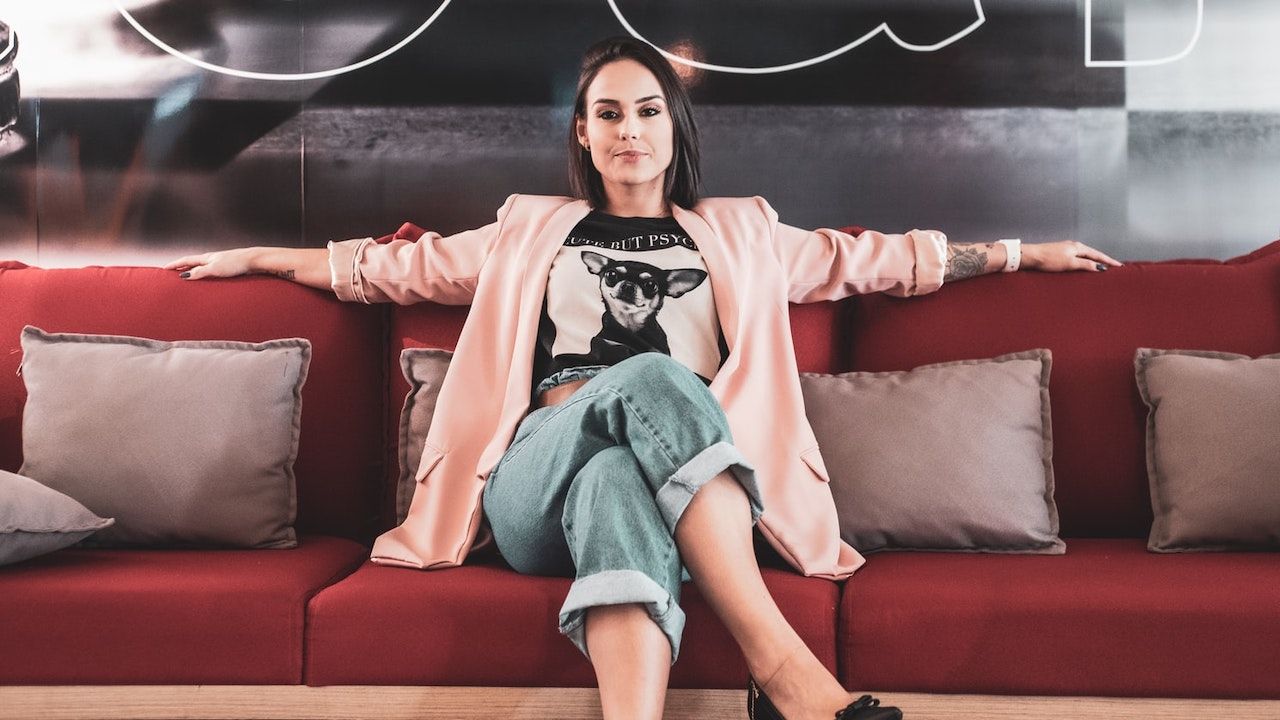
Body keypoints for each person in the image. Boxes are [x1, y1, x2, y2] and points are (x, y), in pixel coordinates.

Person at [165, 35, 1121, 720]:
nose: (630, 128)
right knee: (651, 374)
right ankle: (784, 671)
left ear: (673, 126)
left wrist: (1020, 253)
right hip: (533, 483)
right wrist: (260, 256)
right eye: (609, 113)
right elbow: (391, 270)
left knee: (619, 478)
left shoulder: (742, 233)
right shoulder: (528, 230)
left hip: (680, 499)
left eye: (648, 110)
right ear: (584, 134)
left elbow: (874, 259)